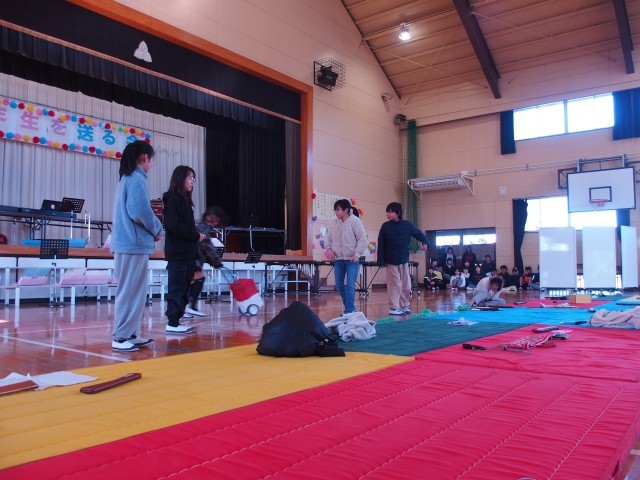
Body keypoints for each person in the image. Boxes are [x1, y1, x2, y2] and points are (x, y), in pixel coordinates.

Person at [110, 140, 164, 352]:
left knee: (133, 291)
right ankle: (121, 337)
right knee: (130, 291)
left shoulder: (127, 178)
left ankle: (130, 333)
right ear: (144, 158)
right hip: (132, 244)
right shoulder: (136, 179)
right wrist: (157, 229)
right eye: (152, 160)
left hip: (128, 244)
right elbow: (139, 211)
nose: (152, 164)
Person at [162, 165, 205, 334]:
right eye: (190, 178)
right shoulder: (173, 199)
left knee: (184, 288)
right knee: (177, 288)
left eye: (194, 178)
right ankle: (172, 322)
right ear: (180, 179)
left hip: (187, 253)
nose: (193, 181)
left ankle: (176, 321)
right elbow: (173, 225)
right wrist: (195, 236)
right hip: (178, 253)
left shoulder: (184, 201)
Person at [377, 202, 428, 315]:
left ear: (398, 213)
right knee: (395, 284)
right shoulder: (385, 226)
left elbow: (419, 234)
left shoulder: (407, 225)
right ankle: (393, 307)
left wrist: (425, 241)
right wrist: (380, 260)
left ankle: (404, 305)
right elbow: (381, 244)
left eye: (390, 212)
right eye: (387, 212)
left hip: (404, 260)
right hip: (390, 261)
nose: (388, 214)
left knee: (407, 285)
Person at [325, 199, 368, 315]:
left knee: (350, 285)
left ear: (346, 210)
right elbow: (328, 238)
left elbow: (362, 240)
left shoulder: (355, 221)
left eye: (338, 210)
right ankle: (350, 307)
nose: (336, 212)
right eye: (335, 210)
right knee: (339, 285)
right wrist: (329, 248)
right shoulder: (334, 222)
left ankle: (349, 310)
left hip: (352, 259)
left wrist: (357, 255)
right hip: (339, 259)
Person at [185, 206, 227, 317]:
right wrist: (216, 261)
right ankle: (190, 307)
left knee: (192, 281)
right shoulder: (203, 227)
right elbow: (207, 245)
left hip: (191, 256)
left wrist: (212, 261)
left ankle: (187, 308)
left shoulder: (199, 224)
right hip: (193, 257)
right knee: (197, 279)